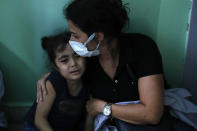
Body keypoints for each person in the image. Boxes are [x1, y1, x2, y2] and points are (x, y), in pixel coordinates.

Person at [37, 0, 174, 130]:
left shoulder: (142, 47)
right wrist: (47, 78)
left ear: (97, 37)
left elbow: (152, 114)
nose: (71, 41)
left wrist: (101, 107)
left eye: (75, 35)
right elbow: (67, 70)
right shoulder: (86, 59)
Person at [24, 31, 89, 131]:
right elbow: (40, 119)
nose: (73, 64)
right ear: (55, 66)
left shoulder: (89, 81)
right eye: (64, 60)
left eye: (78, 56)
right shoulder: (53, 83)